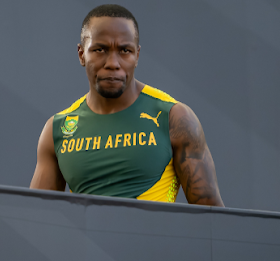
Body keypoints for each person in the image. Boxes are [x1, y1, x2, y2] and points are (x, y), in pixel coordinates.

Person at [29, 4, 224, 206]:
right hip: (87, 238)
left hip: (154, 238)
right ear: (81, 55)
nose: (113, 62)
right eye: (99, 49)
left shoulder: (173, 117)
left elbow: (213, 221)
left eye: (124, 50)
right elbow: (38, 216)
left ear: (137, 55)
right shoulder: (57, 128)